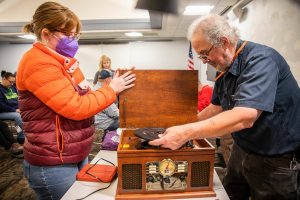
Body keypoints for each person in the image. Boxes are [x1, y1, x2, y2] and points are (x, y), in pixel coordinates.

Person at [150, 14, 300, 200]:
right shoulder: (225, 68)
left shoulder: (261, 60)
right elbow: (216, 106)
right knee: (231, 193)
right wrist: (182, 124)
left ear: (224, 42)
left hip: (274, 159)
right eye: (200, 56)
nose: (204, 60)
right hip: (241, 149)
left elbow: (246, 116)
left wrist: (186, 132)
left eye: (205, 53)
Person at [17, 2, 135, 200]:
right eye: (69, 35)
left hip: (73, 153)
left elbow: (87, 97)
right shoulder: (38, 62)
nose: (73, 41)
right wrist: (111, 89)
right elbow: (77, 108)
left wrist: (114, 88)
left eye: (76, 35)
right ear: (46, 34)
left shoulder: (65, 63)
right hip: (53, 161)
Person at [0, 70, 25, 144]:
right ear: (4, 79)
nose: (11, 84)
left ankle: (30, 134)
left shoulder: (13, 88)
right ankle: (21, 137)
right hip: (3, 112)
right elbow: (1, 105)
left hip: (15, 110)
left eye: (13, 82)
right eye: (10, 82)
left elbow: (19, 99)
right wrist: (14, 110)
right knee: (18, 117)